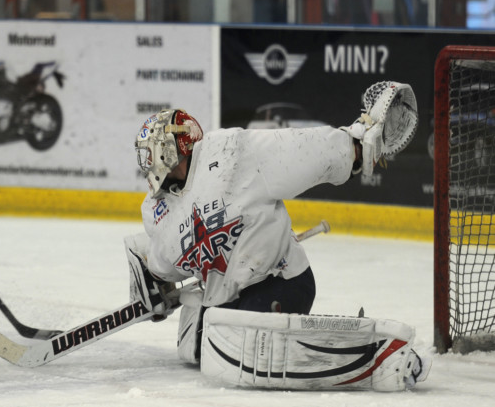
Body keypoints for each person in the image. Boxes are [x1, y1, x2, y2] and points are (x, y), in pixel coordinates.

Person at [126, 81, 430, 391]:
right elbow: (166, 261)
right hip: (227, 295)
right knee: (199, 350)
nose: (149, 162)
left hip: (282, 279)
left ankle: (373, 357)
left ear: (176, 146)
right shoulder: (156, 209)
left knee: (239, 346)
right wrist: (158, 280)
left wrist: (353, 145)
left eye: (153, 151)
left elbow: (296, 149)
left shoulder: (229, 153)